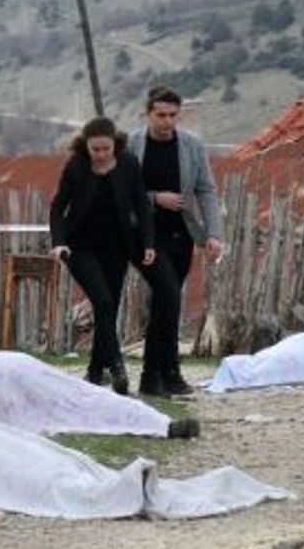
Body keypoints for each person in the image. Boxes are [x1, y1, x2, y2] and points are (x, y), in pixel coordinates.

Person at [128, 86, 224, 396]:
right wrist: (155, 198)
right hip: (144, 235)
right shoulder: (132, 145)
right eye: (160, 115)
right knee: (169, 295)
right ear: (148, 114)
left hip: (181, 234)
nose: (166, 122)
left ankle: (158, 378)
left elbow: (206, 190)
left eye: (172, 115)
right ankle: (165, 372)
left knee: (166, 302)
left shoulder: (192, 146)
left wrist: (213, 234)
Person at [49, 117, 156, 396]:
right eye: (94, 149)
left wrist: (147, 242)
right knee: (103, 300)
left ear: (114, 144)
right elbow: (58, 206)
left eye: (105, 149)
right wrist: (59, 242)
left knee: (108, 307)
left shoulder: (129, 164)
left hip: (117, 246)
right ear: (86, 146)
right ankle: (117, 366)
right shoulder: (76, 166)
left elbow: (142, 206)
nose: (99, 154)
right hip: (80, 246)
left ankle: (95, 373)